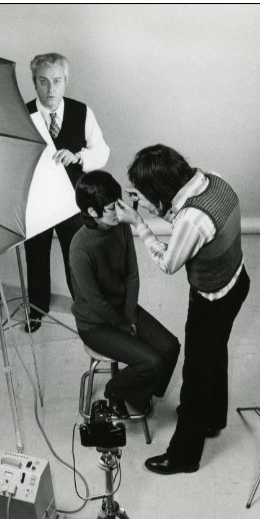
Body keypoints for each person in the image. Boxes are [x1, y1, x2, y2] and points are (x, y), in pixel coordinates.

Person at [116, 145, 250, 475]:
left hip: (211, 300)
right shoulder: (213, 179)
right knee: (216, 355)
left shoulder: (192, 219)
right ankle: (213, 419)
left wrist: (139, 222)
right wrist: (155, 207)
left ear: (162, 191)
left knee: (195, 374)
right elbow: (185, 217)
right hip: (237, 281)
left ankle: (184, 455)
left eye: (147, 193)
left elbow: (168, 262)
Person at [70, 170, 180, 418]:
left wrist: (129, 316)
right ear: (91, 212)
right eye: (111, 208)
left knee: (170, 347)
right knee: (151, 362)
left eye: (117, 204)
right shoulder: (80, 248)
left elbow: (132, 275)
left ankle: (141, 393)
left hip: (123, 310)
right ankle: (115, 391)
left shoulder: (119, 227)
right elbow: (95, 302)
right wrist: (123, 325)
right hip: (95, 324)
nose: (119, 213)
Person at [23, 53, 110, 332]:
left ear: (66, 82)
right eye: (43, 81)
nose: (51, 90)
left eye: (57, 81)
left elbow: (102, 152)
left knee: (76, 254)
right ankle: (36, 308)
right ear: (34, 82)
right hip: (36, 201)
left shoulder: (82, 111)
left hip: (73, 200)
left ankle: (83, 305)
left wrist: (79, 157)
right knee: (36, 255)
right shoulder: (22, 114)